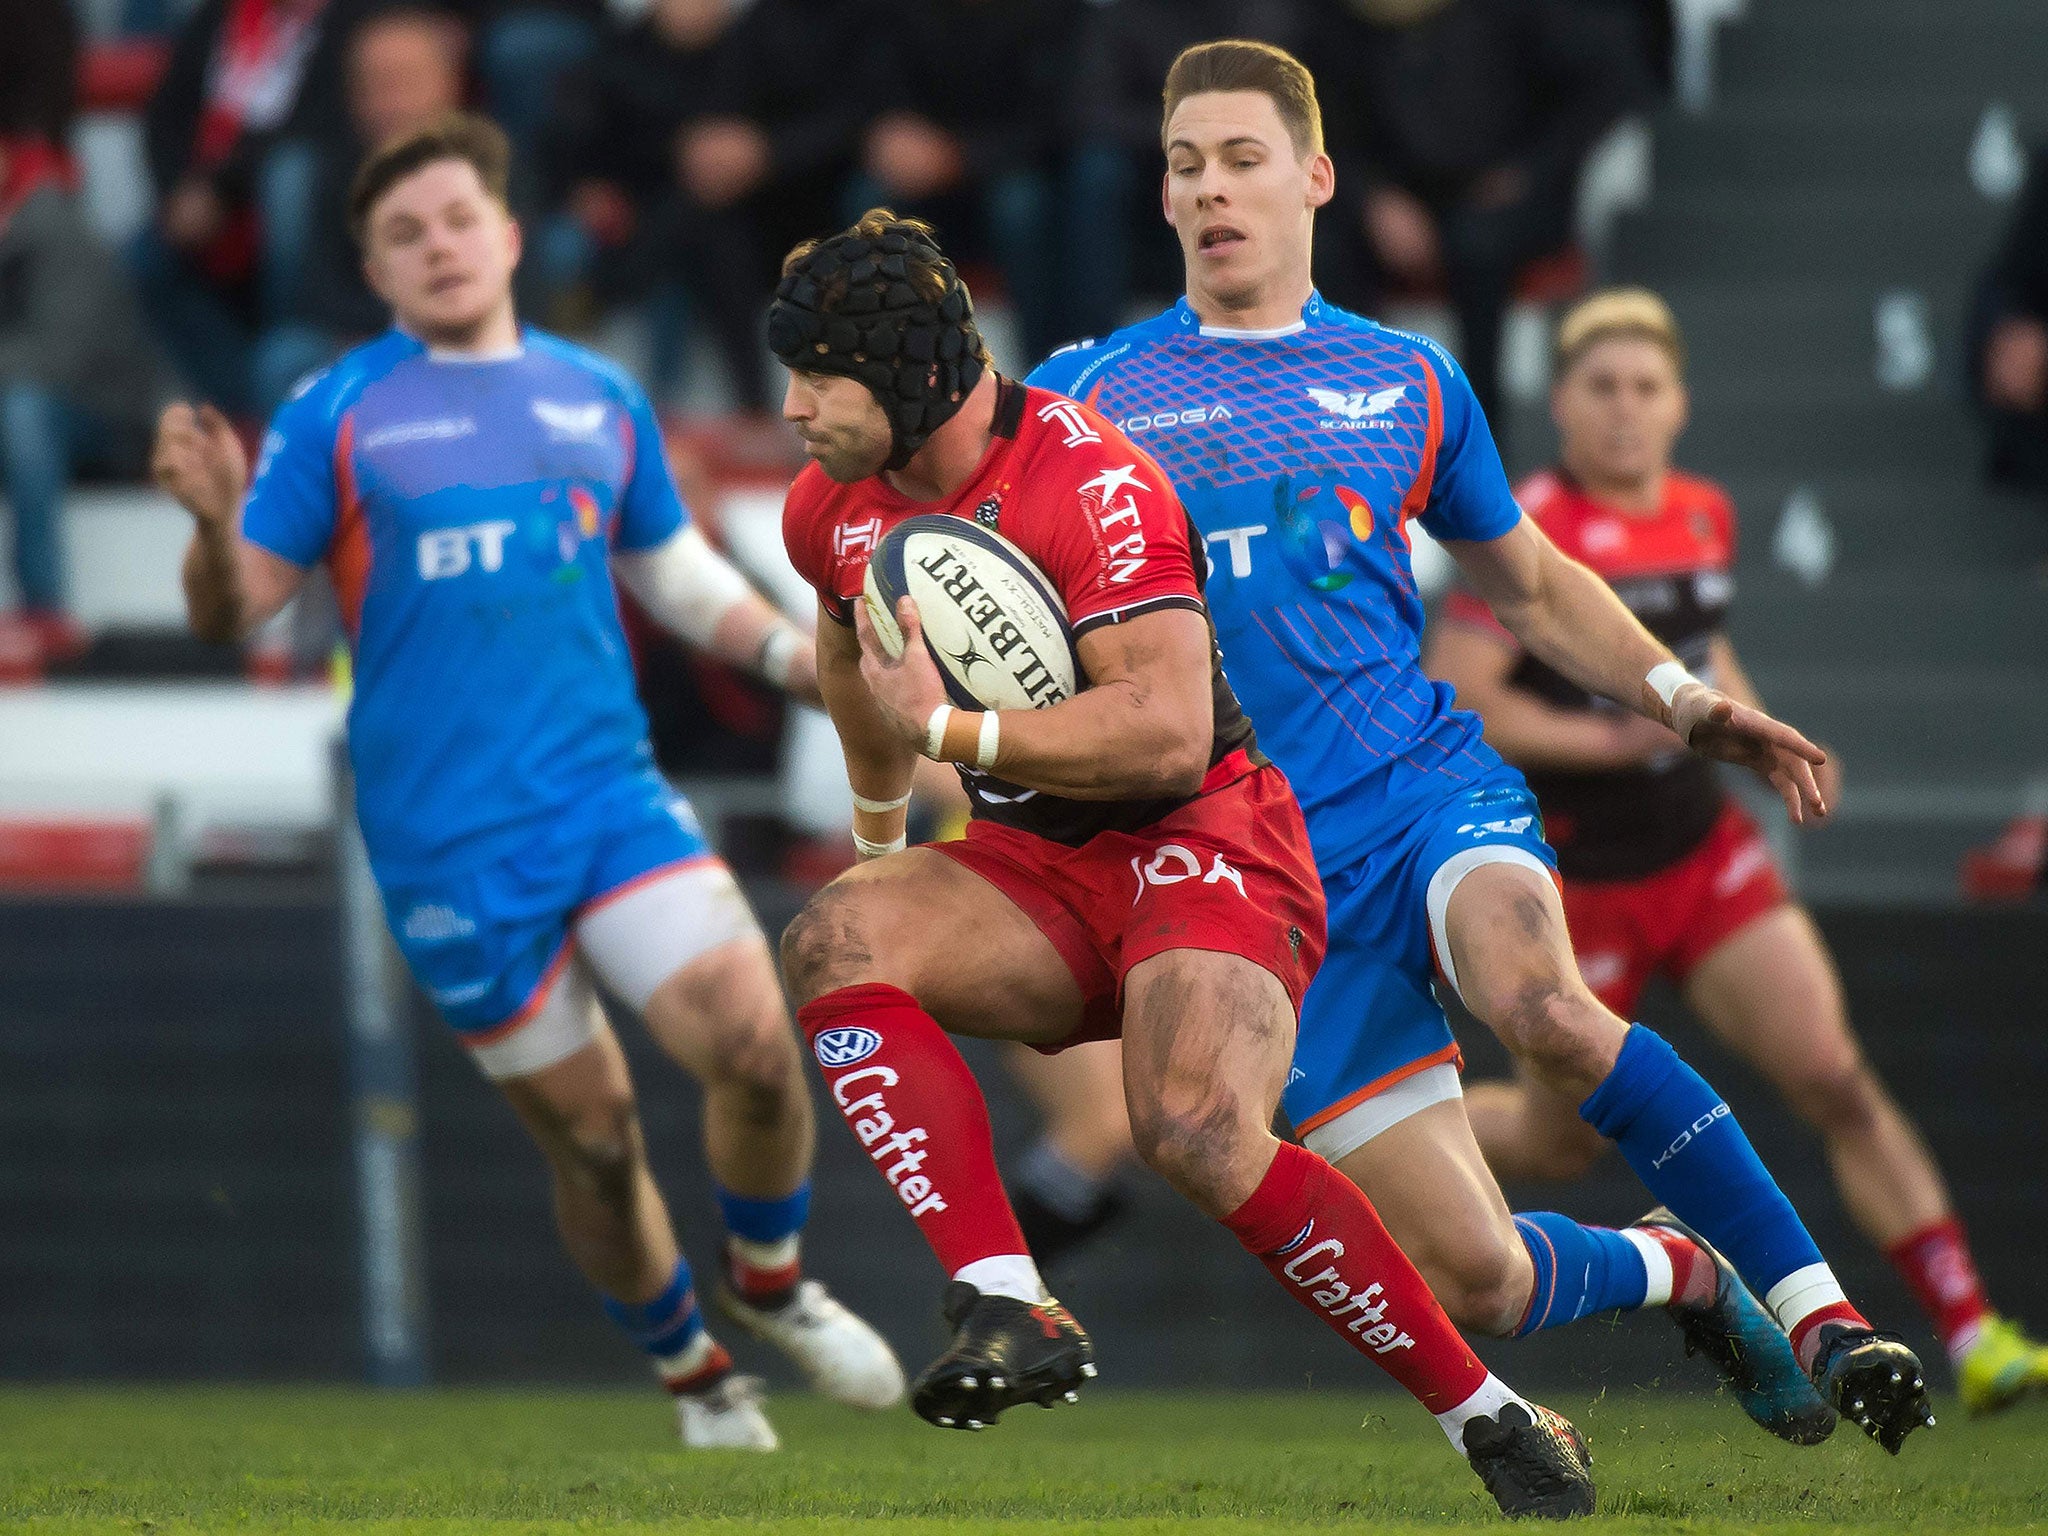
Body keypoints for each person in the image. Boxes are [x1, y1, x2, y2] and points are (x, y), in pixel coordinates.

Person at [1026, 40, 1933, 1456]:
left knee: (1546, 1009)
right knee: (1486, 1281)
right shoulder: (1083, 399)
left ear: (1314, 178)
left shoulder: (1408, 379)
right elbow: (1010, 599)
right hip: (1258, 892)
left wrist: (1684, 700)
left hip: (1421, 795)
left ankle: (1829, 1316)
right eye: (1186, 165)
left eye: (1242, 159)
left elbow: (1524, 583)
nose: (1212, 190)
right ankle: (1679, 1270)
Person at [774, 209, 1595, 1519]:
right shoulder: (828, 505)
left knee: (1196, 1133)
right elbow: (845, 647)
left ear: (906, 375)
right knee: (832, 938)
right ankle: (1004, 1297)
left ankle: (1484, 1411)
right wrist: (883, 840)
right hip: (1034, 857)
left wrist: (944, 729)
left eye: (817, 372)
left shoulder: (1091, 476)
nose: (795, 404)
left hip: (1205, 835)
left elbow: (1160, 737)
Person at [149, 113, 902, 1449]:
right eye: (403, 234)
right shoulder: (337, 411)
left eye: (455, 220)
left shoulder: (593, 396)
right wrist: (213, 527)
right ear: (376, 273)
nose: (436, 246)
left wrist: (803, 658)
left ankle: (773, 1285)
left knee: (753, 1042)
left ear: (504, 236)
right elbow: (235, 611)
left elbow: (669, 572)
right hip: (449, 849)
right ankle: (692, 1371)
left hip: (607, 799)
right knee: (598, 1145)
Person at [1426, 286, 2048, 1416]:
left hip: (1700, 856)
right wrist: (1611, 737)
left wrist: (1757, 735)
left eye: (1644, 389)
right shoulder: (1522, 520)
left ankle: (1972, 1333)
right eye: (1599, 388)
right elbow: (1461, 696)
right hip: (1573, 884)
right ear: (1559, 404)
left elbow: (1704, 657)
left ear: (1677, 406)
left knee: (1832, 1074)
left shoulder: (1703, 512)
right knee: (1556, 1147)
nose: (1623, 411)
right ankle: (1359, 1135)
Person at [1302, 0, 1652, 433]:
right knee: (1322, 249)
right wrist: (1373, 200)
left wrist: (1526, 175)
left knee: (1478, 246)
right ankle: (1341, 432)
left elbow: (1602, 87)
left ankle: (1479, 441)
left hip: (1508, 196)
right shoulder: (1338, 22)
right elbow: (1319, 124)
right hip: (1392, 198)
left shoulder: (1527, 16)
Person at [0, 4, 167, 674]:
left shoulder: (55, 221)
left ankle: (44, 606)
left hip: (114, 419)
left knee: (25, 408)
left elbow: (54, 360)